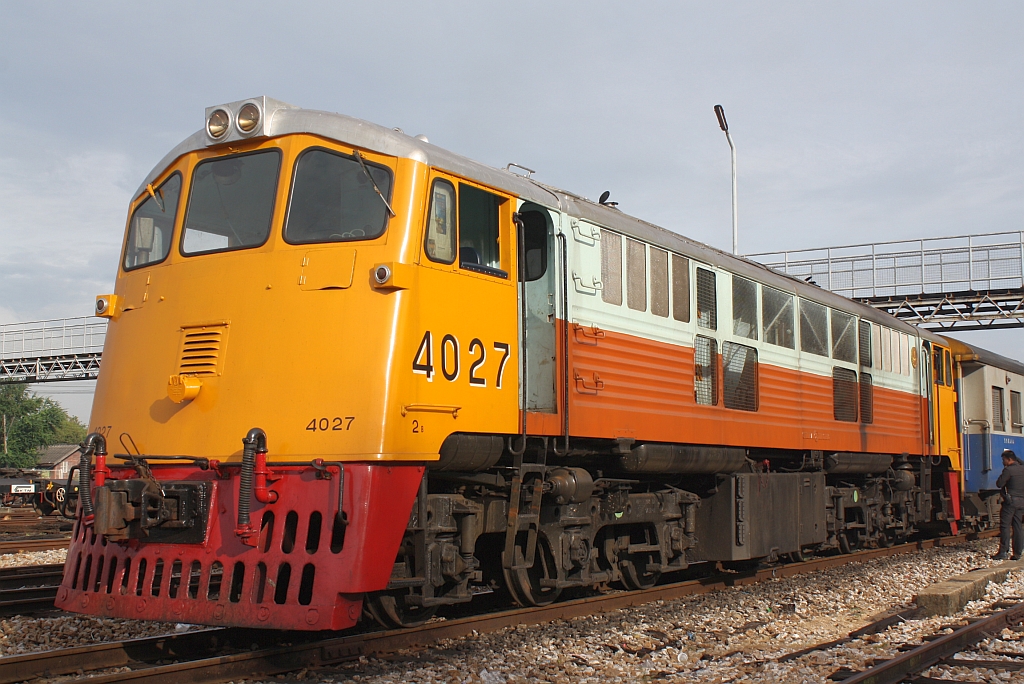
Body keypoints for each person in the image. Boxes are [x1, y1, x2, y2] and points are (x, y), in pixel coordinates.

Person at [994, 449, 1024, 561]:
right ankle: (1017, 553)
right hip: (1022, 502)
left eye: (1004, 460)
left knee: (1005, 526)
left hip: (1010, 502)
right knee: (1018, 526)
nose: (1003, 462)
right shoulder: (1022, 469)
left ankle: (1003, 551)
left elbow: (999, 484)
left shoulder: (1008, 470)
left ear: (1009, 459)